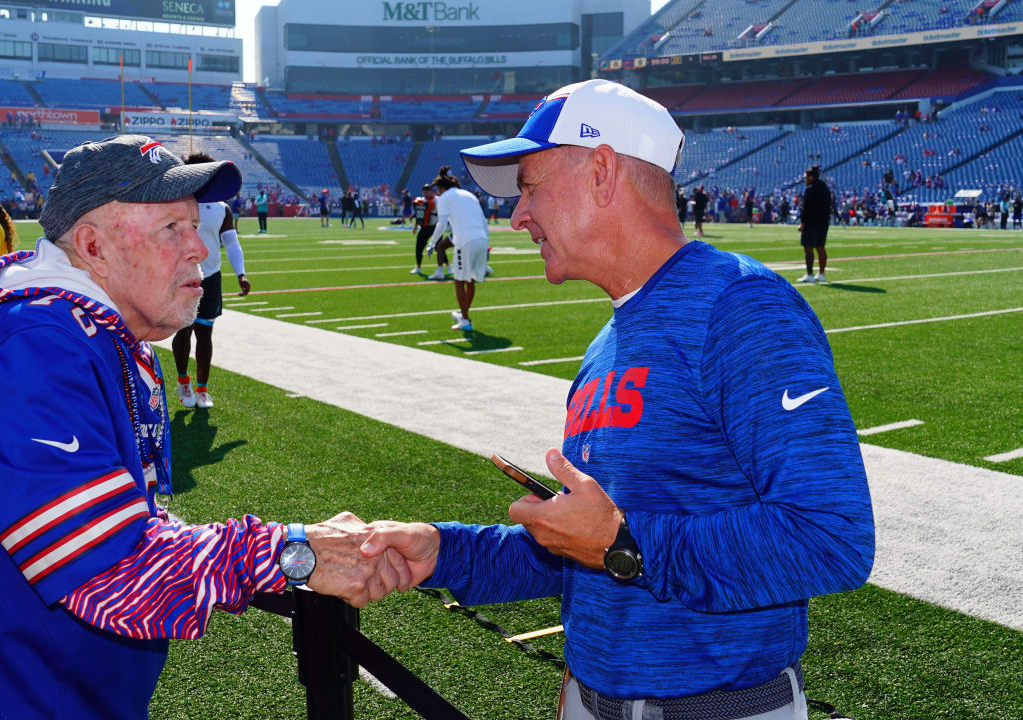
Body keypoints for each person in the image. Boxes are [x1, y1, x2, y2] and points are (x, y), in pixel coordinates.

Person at [362, 80, 874, 720]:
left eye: (529, 186)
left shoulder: (741, 307)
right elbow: (581, 549)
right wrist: (442, 550)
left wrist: (624, 544)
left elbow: (832, 538)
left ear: (601, 170)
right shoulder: (609, 339)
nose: (517, 216)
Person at [0, 136, 413, 718]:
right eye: (172, 227)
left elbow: (128, 519)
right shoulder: (28, 354)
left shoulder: (95, 333)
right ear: (93, 245)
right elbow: (112, 569)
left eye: (194, 224)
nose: (200, 246)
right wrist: (292, 553)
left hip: (54, 686)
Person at [171, 152, 250, 410]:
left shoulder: (221, 208)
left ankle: (202, 389)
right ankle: (183, 381)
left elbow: (232, 243)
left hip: (212, 276)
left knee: (205, 332)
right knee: (184, 330)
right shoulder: (176, 204)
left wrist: (241, 274)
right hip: (184, 274)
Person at [427, 166, 489, 331]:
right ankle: (464, 315)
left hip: (465, 241)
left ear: (441, 188)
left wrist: (432, 244)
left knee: (459, 281)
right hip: (481, 239)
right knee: (470, 281)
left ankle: (466, 321)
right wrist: (487, 246)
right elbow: (484, 222)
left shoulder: (445, 197)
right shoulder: (469, 195)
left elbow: (441, 224)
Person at [798, 166, 832, 283]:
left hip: (811, 222)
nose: (805, 180)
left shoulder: (810, 189)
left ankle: (810, 274)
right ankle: (822, 274)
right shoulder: (825, 189)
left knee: (808, 248)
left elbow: (806, 208)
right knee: (820, 247)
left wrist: (802, 223)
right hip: (823, 222)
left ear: (811, 177)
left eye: (806, 177)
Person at [411, 184, 438, 275]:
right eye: (424, 192)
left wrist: (419, 203)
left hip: (435, 226)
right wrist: (415, 226)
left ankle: (446, 267)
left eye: (427, 192)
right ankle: (418, 267)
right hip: (425, 227)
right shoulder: (423, 200)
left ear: (432, 191)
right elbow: (420, 214)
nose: (425, 194)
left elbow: (427, 206)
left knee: (439, 248)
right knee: (419, 247)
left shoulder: (436, 201)